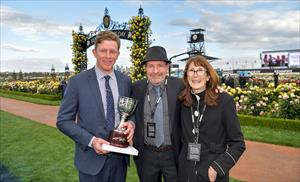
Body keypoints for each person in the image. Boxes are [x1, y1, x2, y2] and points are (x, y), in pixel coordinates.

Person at [56, 31, 135, 182]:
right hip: (90, 161)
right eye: (103, 51)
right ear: (94, 52)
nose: (108, 55)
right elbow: (63, 121)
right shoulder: (77, 82)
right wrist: (92, 141)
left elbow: (130, 113)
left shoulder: (125, 80)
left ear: (118, 54)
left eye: (112, 51)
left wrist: (131, 123)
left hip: (119, 161)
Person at [178, 55, 245, 182]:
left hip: (211, 174)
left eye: (200, 70)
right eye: (191, 70)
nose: (195, 75)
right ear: (186, 76)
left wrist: (217, 168)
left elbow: (238, 143)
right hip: (185, 173)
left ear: (208, 76)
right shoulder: (182, 101)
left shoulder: (224, 101)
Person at [132, 46, 184, 182]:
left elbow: (200, 93)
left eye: (160, 66)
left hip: (173, 154)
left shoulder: (180, 86)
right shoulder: (137, 88)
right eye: (151, 66)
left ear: (167, 67)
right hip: (147, 155)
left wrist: (216, 90)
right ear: (145, 68)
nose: (155, 71)